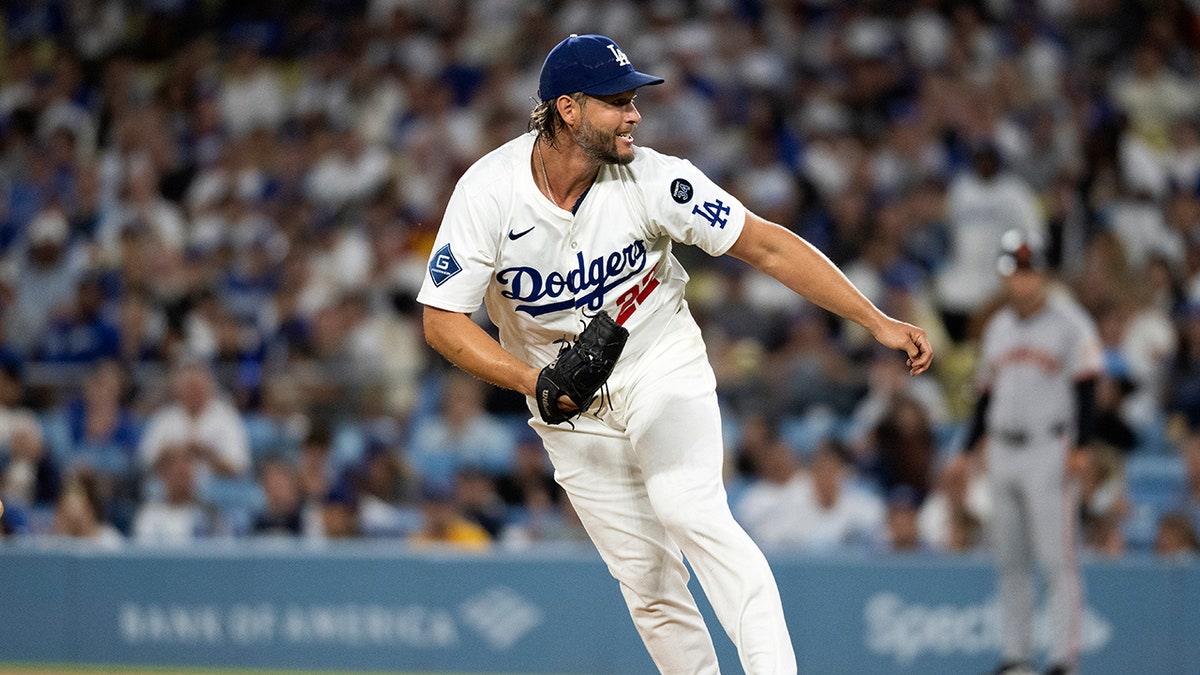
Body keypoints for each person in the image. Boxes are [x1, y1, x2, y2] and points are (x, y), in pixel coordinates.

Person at [417, 34, 932, 673]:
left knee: (690, 508)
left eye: (634, 100)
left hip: (657, 356)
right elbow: (441, 321)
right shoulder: (488, 191)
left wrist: (873, 320)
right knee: (648, 583)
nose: (635, 114)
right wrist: (535, 381)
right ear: (568, 109)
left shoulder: (654, 179)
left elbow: (766, 246)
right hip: (564, 394)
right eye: (617, 101)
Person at [964, 229, 1102, 675]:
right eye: (1013, 272)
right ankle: (1016, 657)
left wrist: (1081, 447)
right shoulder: (999, 328)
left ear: (1041, 273)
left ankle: (1063, 659)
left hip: (1049, 446)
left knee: (1055, 560)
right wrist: (969, 448)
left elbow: (1088, 389)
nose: (1020, 281)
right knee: (1009, 560)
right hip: (1003, 448)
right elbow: (985, 395)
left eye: (1027, 271)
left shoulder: (1071, 323)